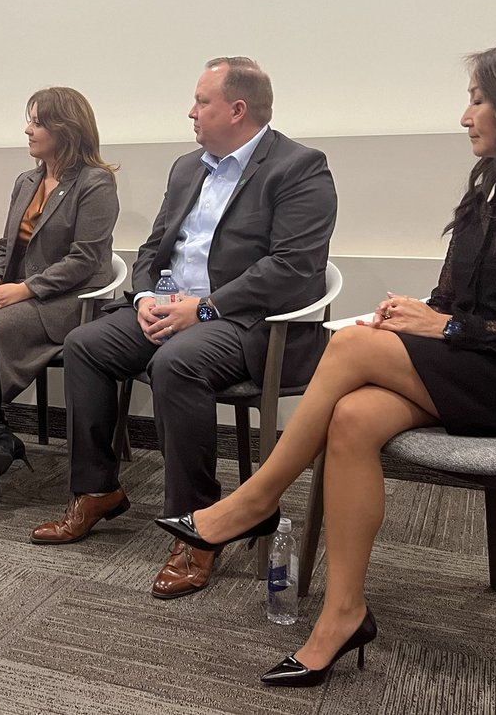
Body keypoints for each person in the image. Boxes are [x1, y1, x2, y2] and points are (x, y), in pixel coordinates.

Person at [155, 33, 496, 687]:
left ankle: (254, 500)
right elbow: (453, 295)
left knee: (349, 345)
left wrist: (449, 325)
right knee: (352, 417)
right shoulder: (494, 186)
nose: (466, 117)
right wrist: (419, 312)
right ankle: (343, 614)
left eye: (479, 101)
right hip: (479, 367)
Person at [31, 57, 338, 601]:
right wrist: (148, 297)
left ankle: (197, 525)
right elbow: (155, 248)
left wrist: (205, 308)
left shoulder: (299, 167)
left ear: (237, 109)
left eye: (201, 102)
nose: (190, 112)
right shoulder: (187, 167)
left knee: (176, 362)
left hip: (249, 323)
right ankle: (97, 489)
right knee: (85, 345)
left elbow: (293, 267)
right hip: (174, 308)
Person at [0, 87, 119, 512]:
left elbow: (85, 260)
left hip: (69, 302)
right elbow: (7, 245)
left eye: (37, 122)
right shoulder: (26, 180)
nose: (27, 129)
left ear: (65, 129)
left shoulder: (95, 182)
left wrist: (24, 289)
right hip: (21, 296)